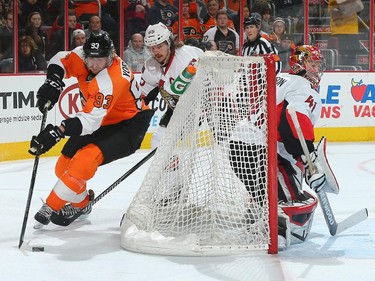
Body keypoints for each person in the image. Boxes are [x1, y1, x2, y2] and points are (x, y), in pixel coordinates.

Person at [31, 31, 154, 227]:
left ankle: (50, 206)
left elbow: (90, 122)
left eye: (101, 59)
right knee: (63, 166)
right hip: (103, 120)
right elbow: (60, 59)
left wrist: (59, 131)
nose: (94, 64)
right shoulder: (83, 55)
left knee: (84, 161)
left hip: (129, 125)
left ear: (111, 56)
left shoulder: (112, 79)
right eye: (91, 59)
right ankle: (82, 204)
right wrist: (53, 80)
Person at [230, 45, 338, 249]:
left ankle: (257, 214)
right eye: (312, 64)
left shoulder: (282, 79)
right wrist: (306, 155)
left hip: (239, 145)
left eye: (317, 64)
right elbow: (293, 118)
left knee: (265, 191)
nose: (316, 69)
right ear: (300, 65)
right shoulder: (302, 86)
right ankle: (278, 233)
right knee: (290, 197)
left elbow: (281, 120)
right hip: (260, 149)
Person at [140, 22, 204, 149]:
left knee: (229, 139)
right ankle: (173, 167)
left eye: (159, 46)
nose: (155, 52)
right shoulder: (151, 67)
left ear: (168, 43)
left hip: (206, 103)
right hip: (179, 108)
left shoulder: (187, 56)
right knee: (157, 142)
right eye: (151, 48)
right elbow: (143, 99)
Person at [327, 0, 361, 66]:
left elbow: (359, 9)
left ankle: (350, 66)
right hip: (339, 30)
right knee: (343, 51)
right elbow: (336, 12)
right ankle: (343, 67)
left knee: (355, 47)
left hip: (352, 29)